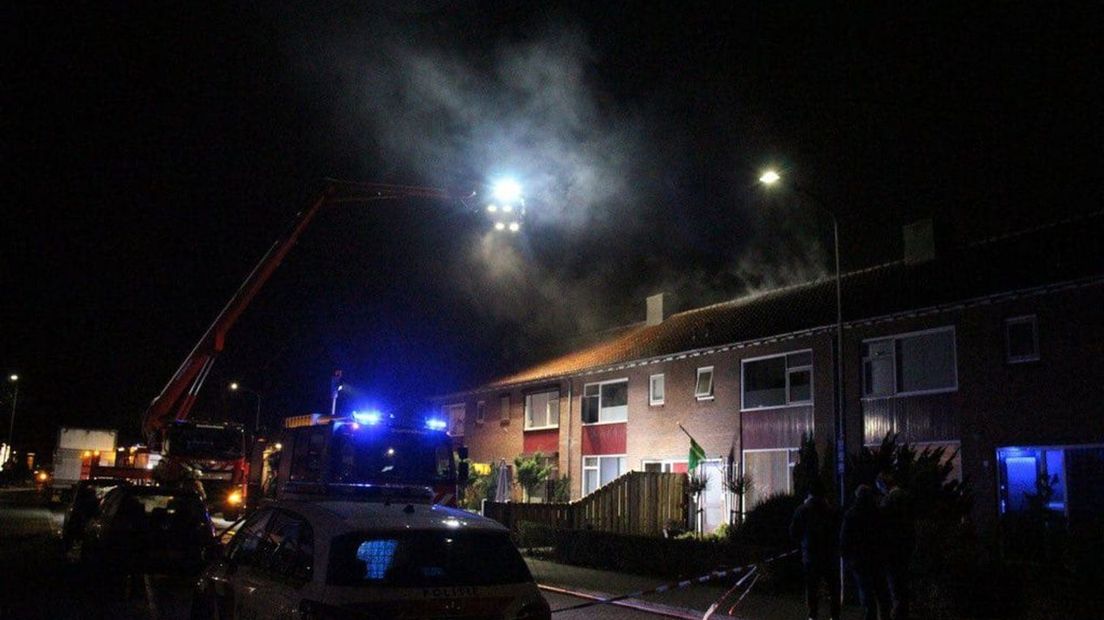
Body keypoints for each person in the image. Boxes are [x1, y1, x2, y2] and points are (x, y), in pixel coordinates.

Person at [790, 479, 841, 620]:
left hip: (811, 556)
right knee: (834, 588)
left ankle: (813, 615)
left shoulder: (803, 510)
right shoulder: (831, 510)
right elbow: (838, 530)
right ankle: (834, 615)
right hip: (830, 555)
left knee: (812, 588)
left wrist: (801, 544)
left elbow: (794, 532)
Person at [841, 484, 892, 620]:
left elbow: (845, 540)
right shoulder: (879, 513)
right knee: (882, 594)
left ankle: (870, 616)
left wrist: (848, 560)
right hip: (877, 560)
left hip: (860, 562)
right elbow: (886, 536)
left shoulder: (851, 514)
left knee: (867, 595)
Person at [878, 472, 914, 620]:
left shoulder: (889, 500)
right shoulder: (906, 497)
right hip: (905, 548)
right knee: (902, 587)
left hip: (892, 550)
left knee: (895, 587)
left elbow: (883, 524)